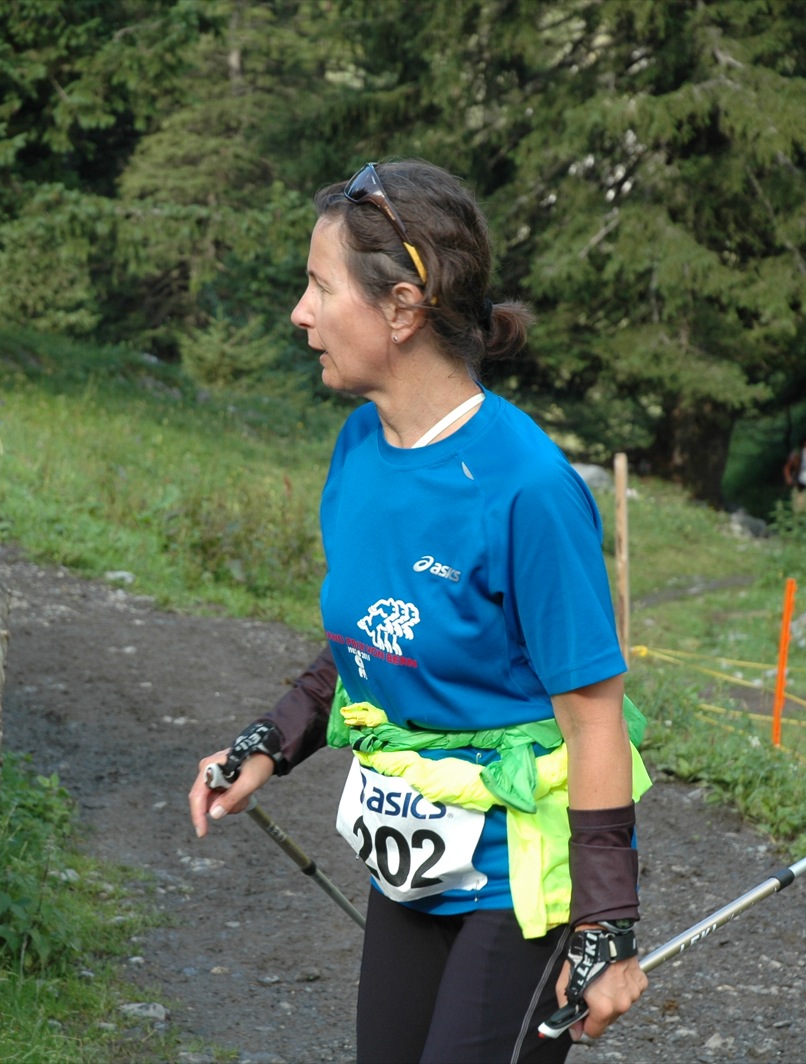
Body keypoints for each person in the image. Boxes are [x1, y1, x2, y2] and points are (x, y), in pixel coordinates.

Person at [187, 159, 650, 1063]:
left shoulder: (528, 490)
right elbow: (374, 640)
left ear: (401, 308)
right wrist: (271, 741)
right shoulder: (360, 445)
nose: (300, 313)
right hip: (414, 865)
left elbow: (594, 720)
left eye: (320, 287)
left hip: (520, 884)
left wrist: (607, 926)